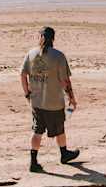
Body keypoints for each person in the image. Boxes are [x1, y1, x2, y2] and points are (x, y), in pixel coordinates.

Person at [20, 26, 79, 172]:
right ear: (53, 38)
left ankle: (33, 161)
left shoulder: (31, 54)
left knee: (37, 131)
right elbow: (65, 81)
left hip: (36, 102)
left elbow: (22, 75)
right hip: (54, 102)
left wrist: (27, 93)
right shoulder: (58, 56)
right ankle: (64, 154)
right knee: (59, 129)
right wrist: (71, 97)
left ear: (39, 37)